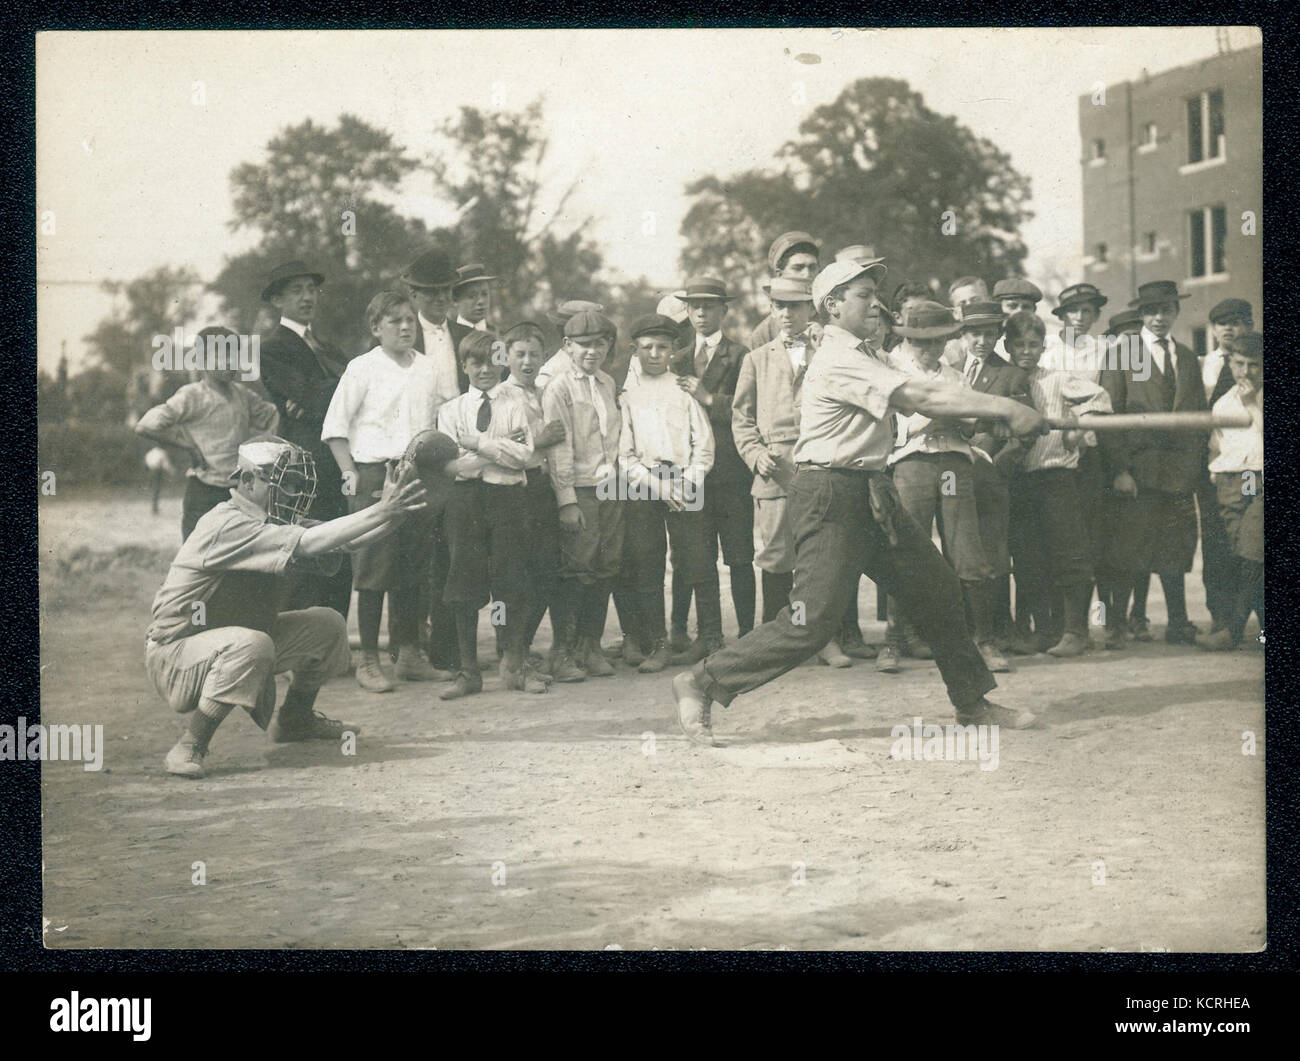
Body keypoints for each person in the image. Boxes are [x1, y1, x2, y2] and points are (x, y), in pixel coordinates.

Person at [671, 259, 1045, 747]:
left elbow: (925, 398)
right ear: (832, 306)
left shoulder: (869, 354)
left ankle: (972, 703)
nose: (876, 303)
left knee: (937, 589)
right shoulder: (838, 357)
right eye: (864, 295)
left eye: (875, 294)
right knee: (810, 621)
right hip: (830, 492)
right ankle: (701, 681)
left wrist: (990, 413)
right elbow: (922, 395)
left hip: (871, 490)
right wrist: (1006, 408)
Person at [145, 437, 438, 778]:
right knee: (253, 644)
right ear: (246, 481)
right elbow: (311, 542)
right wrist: (383, 509)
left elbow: (346, 540)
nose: (293, 492)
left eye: (297, 483)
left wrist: (397, 512)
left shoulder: (274, 518)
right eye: (284, 483)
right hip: (177, 653)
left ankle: (295, 719)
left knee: (327, 625)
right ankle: (190, 744)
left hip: (220, 642)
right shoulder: (228, 523)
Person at [321, 290, 444, 691]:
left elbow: (436, 424)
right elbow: (335, 428)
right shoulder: (362, 368)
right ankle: (369, 659)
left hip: (418, 473)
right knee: (374, 567)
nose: (406, 327)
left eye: (410, 319)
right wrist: (350, 473)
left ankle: (408, 653)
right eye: (395, 321)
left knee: (413, 566)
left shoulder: (427, 368)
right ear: (376, 328)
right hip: (375, 474)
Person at [733, 277, 859, 667]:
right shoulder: (756, 358)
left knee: (822, 556)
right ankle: (774, 643)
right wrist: (755, 455)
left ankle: (825, 639)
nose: (787, 314)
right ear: (771, 309)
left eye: (796, 306)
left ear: (812, 309)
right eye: (779, 307)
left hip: (820, 467)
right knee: (775, 557)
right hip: (774, 473)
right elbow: (741, 418)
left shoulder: (829, 352)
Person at [877, 301, 991, 672]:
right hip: (912, 463)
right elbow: (892, 425)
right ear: (908, 340)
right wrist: (933, 418)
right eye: (921, 341)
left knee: (966, 551)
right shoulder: (893, 371)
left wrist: (955, 419)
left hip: (953, 462)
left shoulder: (955, 376)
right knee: (907, 548)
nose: (929, 349)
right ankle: (895, 640)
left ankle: (982, 641)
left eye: (938, 341)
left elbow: (972, 421)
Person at [1097, 280, 1207, 649]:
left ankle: (1178, 623)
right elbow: (1107, 416)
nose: (1159, 318)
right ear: (1142, 314)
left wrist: (1192, 467)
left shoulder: (1188, 357)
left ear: (1176, 312)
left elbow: (1196, 417)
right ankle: (1116, 626)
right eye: (1152, 311)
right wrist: (1119, 470)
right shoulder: (1123, 353)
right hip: (1138, 470)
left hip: (1178, 474)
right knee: (1128, 549)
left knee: (1176, 548)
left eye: (1166, 310)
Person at [436, 331, 543, 699]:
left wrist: (479, 444)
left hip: (507, 499)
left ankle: (514, 665)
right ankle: (468, 672)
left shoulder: (516, 405)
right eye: (475, 362)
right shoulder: (450, 411)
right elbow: (451, 466)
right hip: (465, 502)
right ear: (464, 365)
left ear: (502, 362)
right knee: (463, 582)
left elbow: (525, 457)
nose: (484, 369)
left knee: (510, 580)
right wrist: (498, 451)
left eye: (491, 361)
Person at [1002, 311, 1113, 656]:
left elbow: (1100, 399)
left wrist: (1081, 426)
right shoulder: (1002, 382)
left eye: (1033, 344)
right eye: (1019, 344)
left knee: (1069, 553)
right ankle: (1045, 631)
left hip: (1056, 476)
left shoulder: (1058, 378)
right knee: (1029, 559)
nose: (1026, 351)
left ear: (1042, 346)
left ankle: (1075, 631)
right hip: (1019, 480)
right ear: (1007, 345)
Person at [257, 260, 354, 616]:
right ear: (278, 300)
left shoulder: (327, 347)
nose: (307, 297)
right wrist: (338, 386)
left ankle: (335, 641)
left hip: (338, 459)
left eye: (311, 289)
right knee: (306, 549)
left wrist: (319, 394)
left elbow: (330, 393)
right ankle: (303, 645)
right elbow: (314, 396)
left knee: (340, 546)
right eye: (296, 290)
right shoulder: (271, 348)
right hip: (303, 465)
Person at [619, 314, 715, 673]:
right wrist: (657, 484)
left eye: (662, 347)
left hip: (686, 478)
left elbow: (703, 444)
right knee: (646, 561)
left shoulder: (684, 389)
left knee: (696, 559)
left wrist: (687, 482)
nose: (655, 354)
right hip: (643, 483)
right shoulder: (627, 394)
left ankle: (710, 638)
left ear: (674, 350)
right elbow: (623, 454)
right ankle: (656, 643)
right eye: (647, 348)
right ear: (635, 350)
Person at [669, 277, 754, 658]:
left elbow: (748, 409)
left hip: (732, 472)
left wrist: (707, 398)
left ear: (724, 311)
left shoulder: (741, 356)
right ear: (687, 312)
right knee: (698, 558)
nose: (701, 312)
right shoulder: (676, 359)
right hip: (692, 475)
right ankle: (710, 636)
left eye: (709, 306)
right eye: (694, 306)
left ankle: (750, 634)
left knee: (739, 556)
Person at [400, 248, 475, 673]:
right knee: (410, 550)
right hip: (413, 452)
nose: (438, 300)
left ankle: (446, 648)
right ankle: (407, 646)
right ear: (412, 294)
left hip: (458, 451)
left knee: (453, 549)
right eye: (428, 293)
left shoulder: (466, 336)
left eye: (445, 292)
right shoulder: (399, 339)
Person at [134, 327, 281, 541]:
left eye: (235, 354)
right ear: (202, 360)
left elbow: (274, 417)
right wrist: (188, 446)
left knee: (241, 561)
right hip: (204, 493)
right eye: (223, 355)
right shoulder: (192, 395)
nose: (232, 362)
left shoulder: (243, 395)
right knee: (197, 560)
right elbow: (145, 425)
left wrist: (265, 447)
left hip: (240, 494)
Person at [542, 310, 626, 680]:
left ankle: (590, 646)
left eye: (600, 343)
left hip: (611, 488)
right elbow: (558, 448)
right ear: (567, 346)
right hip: (580, 489)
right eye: (584, 344)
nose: (593, 351)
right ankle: (562, 651)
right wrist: (567, 500)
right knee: (576, 569)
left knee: (605, 567)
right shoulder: (559, 387)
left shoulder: (607, 382)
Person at [952, 300, 1028, 671]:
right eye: (974, 333)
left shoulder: (1011, 375)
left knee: (991, 555)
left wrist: (996, 464)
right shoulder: (949, 372)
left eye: (988, 333)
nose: (981, 340)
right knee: (957, 552)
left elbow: (1021, 435)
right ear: (962, 335)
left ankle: (993, 634)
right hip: (950, 473)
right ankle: (962, 632)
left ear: (998, 335)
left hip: (989, 477)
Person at [493, 322, 569, 675]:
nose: (527, 362)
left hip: (542, 489)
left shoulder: (544, 392)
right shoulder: (499, 395)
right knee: (513, 576)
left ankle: (522, 646)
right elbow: (497, 447)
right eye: (520, 354)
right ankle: (510, 652)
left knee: (546, 570)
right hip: (512, 492)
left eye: (534, 355)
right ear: (506, 355)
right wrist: (538, 439)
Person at [1198, 331, 1264, 651]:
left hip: (1260, 478)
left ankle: (1234, 631)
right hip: (1229, 483)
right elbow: (1216, 444)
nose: (1246, 372)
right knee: (1245, 557)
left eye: (1254, 365)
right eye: (1240, 364)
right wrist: (1215, 472)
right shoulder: (1224, 402)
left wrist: (1253, 402)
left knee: (1253, 549)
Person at [747, 231, 821, 350]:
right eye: (798, 268)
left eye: (812, 267)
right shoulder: (764, 334)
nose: (807, 274)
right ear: (780, 274)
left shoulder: (834, 316)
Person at [453, 263, 496, 331]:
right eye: (472, 296)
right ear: (455, 300)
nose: (481, 301)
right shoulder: (448, 337)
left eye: (485, 294)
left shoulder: (500, 337)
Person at [144, 445, 175, 515]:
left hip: (150, 471)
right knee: (156, 489)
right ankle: (155, 508)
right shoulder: (162, 452)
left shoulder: (150, 453)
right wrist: (171, 471)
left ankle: (154, 507)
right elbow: (166, 464)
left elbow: (147, 462)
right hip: (157, 471)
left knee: (153, 489)